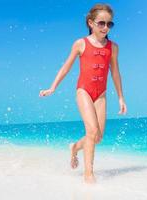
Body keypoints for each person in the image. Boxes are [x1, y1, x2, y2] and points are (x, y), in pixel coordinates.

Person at [39, 4, 127, 183]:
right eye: (101, 23)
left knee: (97, 137)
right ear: (91, 23)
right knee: (92, 131)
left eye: (109, 24)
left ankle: (74, 147)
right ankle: (89, 174)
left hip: (101, 94)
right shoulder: (81, 43)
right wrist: (52, 87)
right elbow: (66, 67)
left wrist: (120, 97)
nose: (105, 27)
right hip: (84, 91)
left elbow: (115, 73)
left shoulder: (113, 47)